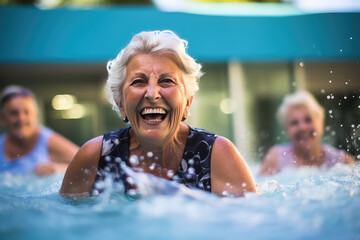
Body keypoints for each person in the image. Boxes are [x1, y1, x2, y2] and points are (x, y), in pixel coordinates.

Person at [60, 30, 258, 198]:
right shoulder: (95, 157)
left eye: (167, 81)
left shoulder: (217, 155)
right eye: (138, 81)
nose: (152, 94)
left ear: (187, 102)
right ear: (120, 103)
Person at [259, 90, 354, 176]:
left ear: (321, 123)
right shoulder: (275, 158)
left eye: (308, 120)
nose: (302, 127)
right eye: (294, 123)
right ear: (286, 130)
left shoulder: (342, 161)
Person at [0, 85, 79, 176]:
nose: (21, 118)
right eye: (14, 113)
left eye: (26, 112)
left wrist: (57, 168)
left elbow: (88, 162)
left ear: (35, 115)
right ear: (2, 118)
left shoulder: (47, 140)